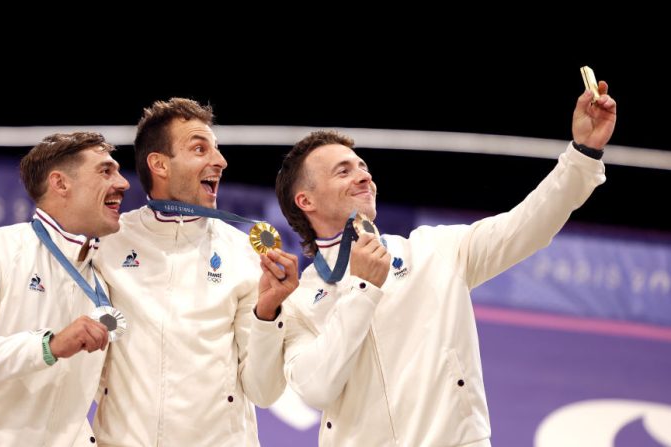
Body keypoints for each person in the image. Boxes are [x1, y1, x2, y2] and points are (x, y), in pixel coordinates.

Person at [274, 83, 617, 446]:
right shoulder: (298, 299)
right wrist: (362, 290)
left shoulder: (435, 250)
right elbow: (317, 389)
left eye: (362, 167)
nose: (364, 176)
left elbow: (529, 224)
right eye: (343, 172)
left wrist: (582, 153)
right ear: (305, 200)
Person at [92, 98, 299, 446]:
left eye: (216, 150)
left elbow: (264, 391)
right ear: (159, 164)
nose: (220, 161)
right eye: (200, 148)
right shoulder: (107, 245)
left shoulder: (244, 253)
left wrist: (269, 313)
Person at [0, 132, 130, 446]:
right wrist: (48, 346)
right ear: (61, 184)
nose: (123, 183)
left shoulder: (103, 279)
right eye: (105, 171)